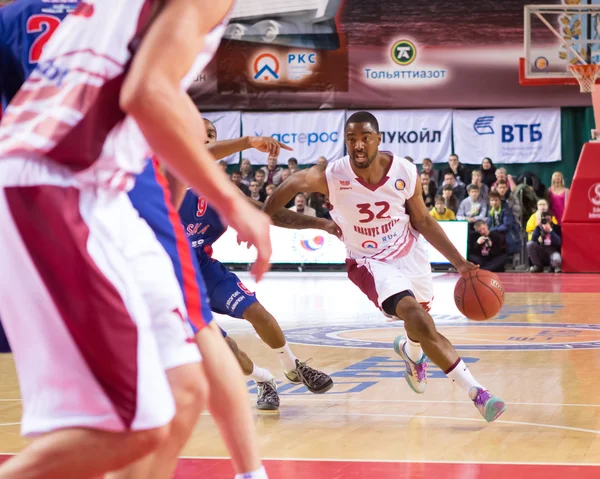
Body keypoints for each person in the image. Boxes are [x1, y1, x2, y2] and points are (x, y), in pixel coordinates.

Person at [0, 1, 272, 478]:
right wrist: (233, 203)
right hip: (60, 181)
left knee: (184, 386)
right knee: (132, 428)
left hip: (97, 181)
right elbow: (147, 94)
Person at [263, 111, 506, 423]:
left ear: (378, 139)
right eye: (351, 139)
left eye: (365, 138)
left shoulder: (404, 170)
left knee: (420, 321)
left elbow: (422, 220)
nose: (358, 145)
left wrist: (460, 263)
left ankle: (411, 352)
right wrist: (320, 223)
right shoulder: (328, 175)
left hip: (409, 250)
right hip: (369, 261)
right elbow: (270, 210)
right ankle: (478, 393)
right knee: (415, 315)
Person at [179, 118, 334, 406]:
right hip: (171, 278)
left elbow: (267, 214)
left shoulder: (220, 187)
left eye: (211, 134)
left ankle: (293, 367)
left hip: (202, 265)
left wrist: (320, 223)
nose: (206, 140)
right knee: (224, 349)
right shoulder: (168, 171)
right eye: (199, 134)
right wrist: (249, 141)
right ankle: (263, 379)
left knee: (258, 313)